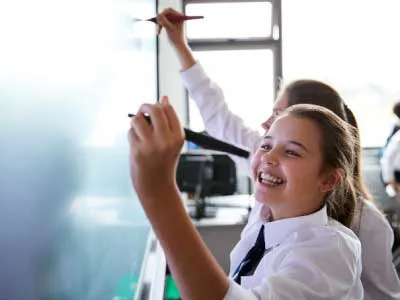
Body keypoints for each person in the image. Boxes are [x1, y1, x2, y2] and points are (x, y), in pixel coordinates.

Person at [156, 8, 400, 299]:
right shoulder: (268, 196)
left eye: (278, 114)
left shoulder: (353, 231)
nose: (265, 129)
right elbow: (219, 118)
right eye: (267, 142)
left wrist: (157, 190)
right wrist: (180, 46)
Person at [128, 99, 363, 299]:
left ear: (329, 180)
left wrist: (158, 192)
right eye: (266, 145)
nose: (268, 157)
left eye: (291, 152)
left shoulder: (332, 251)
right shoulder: (263, 219)